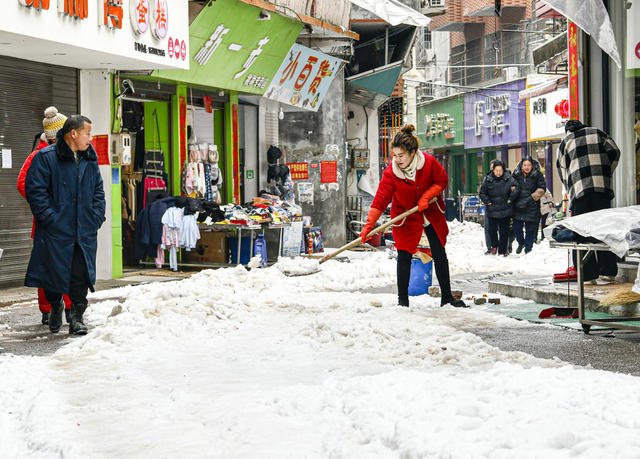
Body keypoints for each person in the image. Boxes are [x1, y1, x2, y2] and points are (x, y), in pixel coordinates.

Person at [360, 124, 467, 308]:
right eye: (395, 155)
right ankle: (403, 301)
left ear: (412, 152)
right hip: (405, 215)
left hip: (431, 212)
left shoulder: (428, 162)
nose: (397, 159)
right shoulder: (391, 173)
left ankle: (447, 296)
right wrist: (369, 225)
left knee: (439, 252)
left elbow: (441, 180)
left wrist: (427, 196)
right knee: (404, 255)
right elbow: (380, 200)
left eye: (401, 155)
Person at [24, 115, 105, 335]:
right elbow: (35, 191)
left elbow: (98, 189)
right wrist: (50, 218)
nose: (90, 138)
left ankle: (77, 317)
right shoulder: (46, 158)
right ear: (74, 133)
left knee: (80, 275)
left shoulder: (90, 157)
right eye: (87, 133)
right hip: (55, 231)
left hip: (83, 230)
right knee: (52, 275)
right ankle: (55, 304)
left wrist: (96, 217)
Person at [17, 107, 73, 326]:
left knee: (68, 265)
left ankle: (69, 307)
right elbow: (23, 184)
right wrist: (46, 205)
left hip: (68, 223)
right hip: (47, 223)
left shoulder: (71, 153)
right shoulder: (37, 156)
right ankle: (49, 308)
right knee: (47, 267)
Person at [557, 119, 621, 282]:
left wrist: (571, 185)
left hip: (580, 192)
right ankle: (608, 272)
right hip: (601, 189)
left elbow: (562, 170)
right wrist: (606, 172)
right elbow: (615, 152)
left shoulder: (566, 141)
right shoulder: (598, 133)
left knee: (583, 232)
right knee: (604, 230)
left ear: (568, 131)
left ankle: (588, 275)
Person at [479, 160, 519, 256]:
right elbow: (482, 193)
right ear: (493, 170)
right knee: (492, 230)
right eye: (496, 170)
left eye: (500, 170)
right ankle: (494, 245)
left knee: (504, 232)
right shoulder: (488, 179)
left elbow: (516, 189)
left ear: (503, 170)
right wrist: (487, 202)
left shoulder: (509, 179)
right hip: (492, 209)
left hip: (505, 209)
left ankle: (502, 251)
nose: (498, 173)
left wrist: (510, 199)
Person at [512, 158, 546, 254]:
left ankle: (528, 250)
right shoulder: (516, 174)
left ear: (532, 166)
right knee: (516, 228)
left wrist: (532, 198)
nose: (526, 167)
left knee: (530, 230)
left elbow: (542, 188)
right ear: (521, 166)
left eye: (529, 165)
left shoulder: (537, 175)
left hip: (532, 206)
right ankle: (521, 243)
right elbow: (511, 186)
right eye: (524, 165)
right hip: (518, 206)